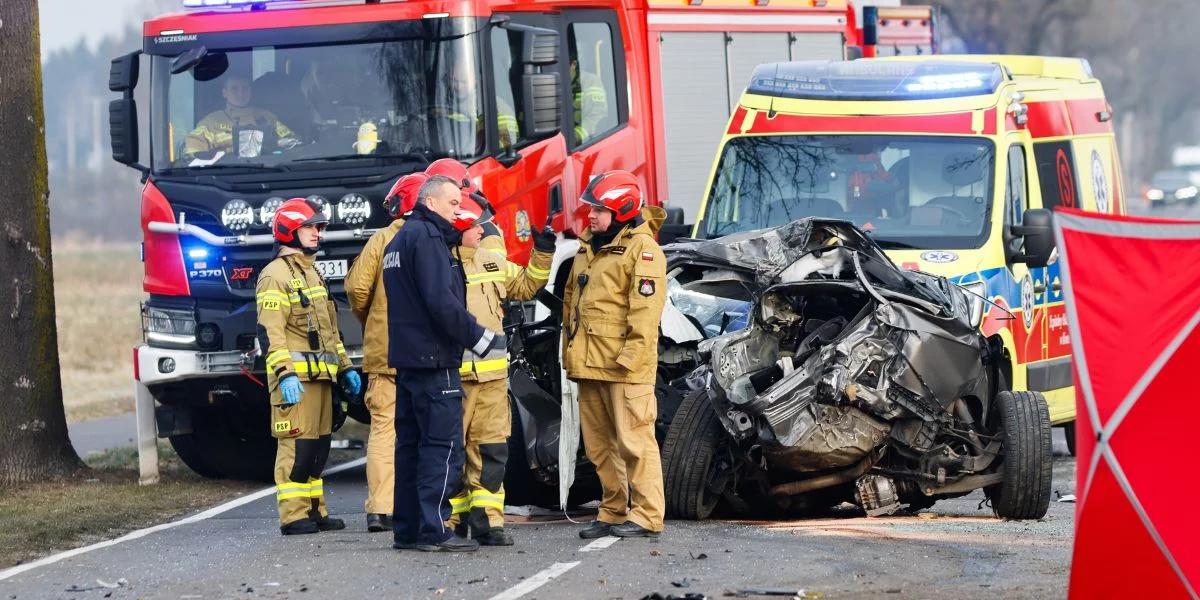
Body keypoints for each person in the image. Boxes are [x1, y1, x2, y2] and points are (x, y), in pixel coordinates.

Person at [382, 175, 505, 552]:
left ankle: (408, 530)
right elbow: (441, 303)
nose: (459, 210)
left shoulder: (401, 238)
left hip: (408, 361)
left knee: (411, 448)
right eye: (453, 203)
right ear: (431, 202)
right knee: (442, 447)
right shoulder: (429, 239)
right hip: (435, 362)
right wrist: (482, 339)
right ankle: (434, 529)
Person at [561, 170, 667, 539]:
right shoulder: (588, 246)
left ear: (622, 209)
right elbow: (571, 305)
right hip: (590, 364)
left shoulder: (644, 250)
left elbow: (645, 312)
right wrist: (570, 355)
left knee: (635, 442)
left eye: (599, 210)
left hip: (624, 368)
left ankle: (648, 515)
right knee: (600, 447)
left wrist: (631, 359)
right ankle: (613, 510)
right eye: (590, 208)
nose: (590, 215)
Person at [445, 199, 556, 546]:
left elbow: (525, 285)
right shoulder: (439, 266)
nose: (484, 231)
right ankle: (449, 522)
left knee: (492, 449)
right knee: (451, 452)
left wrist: (544, 251)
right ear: (458, 229)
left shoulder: (490, 260)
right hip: (454, 379)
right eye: (476, 226)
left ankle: (489, 522)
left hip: (492, 380)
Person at [256, 197, 362, 536]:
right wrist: (284, 374)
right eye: (311, 227)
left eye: (320, 227)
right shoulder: (274, 276)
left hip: (322, 378)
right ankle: (292, 515)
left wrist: (345, 368)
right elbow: (270, 332)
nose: (318, 232)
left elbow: (330, 331)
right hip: (295, 381)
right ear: (289, 229)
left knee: (317, 448)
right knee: (296, 447)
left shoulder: (312, 271)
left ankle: (316, 511)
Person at [344, 172, 428, 533]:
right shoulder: (432, 238)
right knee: (428, 428)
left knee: (383, 430)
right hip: (424, 353)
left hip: (385, 352)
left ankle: (380, 509)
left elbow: (357, 289)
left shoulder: (381, 239)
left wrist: (374, 321)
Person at [184, 75, 299, 159]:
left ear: (250, 91)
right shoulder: (211, 122)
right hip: (224, 176)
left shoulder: (267, 117)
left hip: (267, 173)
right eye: (234, 89)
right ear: (224, 93)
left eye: (245, 88)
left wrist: (278, 145)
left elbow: (293, 143)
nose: (241, 93)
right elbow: (191, 151)